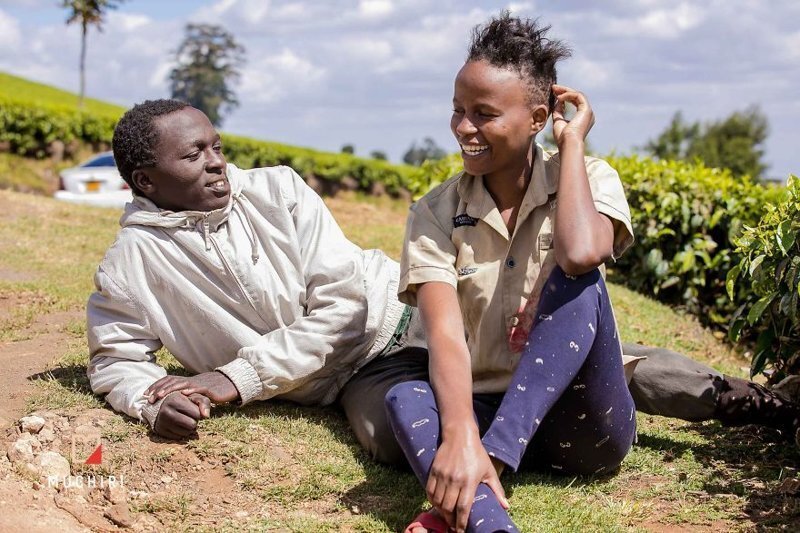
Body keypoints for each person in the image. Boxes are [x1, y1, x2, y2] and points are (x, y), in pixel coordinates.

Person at [88, 100, 797, 477]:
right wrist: (155, 402)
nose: (217, 163)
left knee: (592, 360)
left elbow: (344, 310)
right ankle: (522, 423)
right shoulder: (130, 266)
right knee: (387, 439)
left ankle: (760, 404)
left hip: (399, 323)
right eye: (195, 155)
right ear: (146, 182)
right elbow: (115, 360)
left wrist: (232, 377)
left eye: (216, 145)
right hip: (358, 379)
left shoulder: (275, 190)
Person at [384, 13, 799, 533]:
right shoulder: (435, 212)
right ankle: (490, 519)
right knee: (403, 397)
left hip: (580, 425)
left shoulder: (588, 177)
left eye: (484, 114)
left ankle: (491, 462)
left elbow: (581, 254)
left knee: (577, 277)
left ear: (538, 118)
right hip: (482, 408)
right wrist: (462, 432)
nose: (464, 128)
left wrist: (573, 143)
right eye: (458, 110)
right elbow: (443, 331)